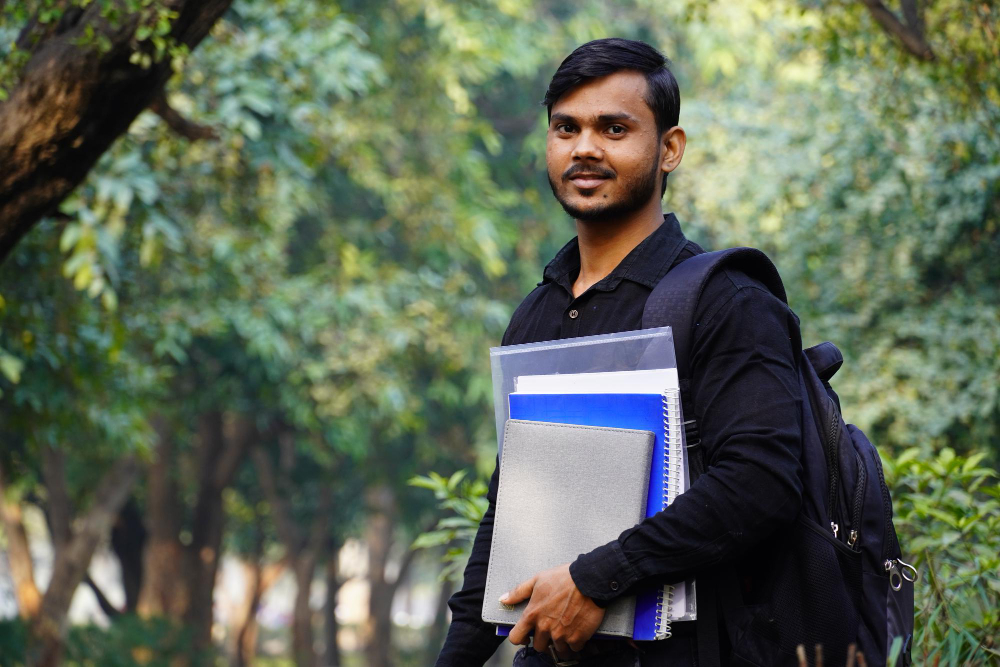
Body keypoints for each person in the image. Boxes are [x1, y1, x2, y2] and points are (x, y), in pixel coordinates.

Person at [436, 37, 803, 667]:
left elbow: (761, 482)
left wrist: (594, 578)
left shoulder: (726, 300)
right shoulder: (536, 315)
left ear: (669, 149)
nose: (584, 147)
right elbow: (508, 516)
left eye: (614, 128)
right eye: (566, 128)